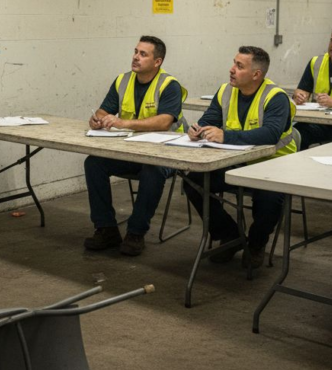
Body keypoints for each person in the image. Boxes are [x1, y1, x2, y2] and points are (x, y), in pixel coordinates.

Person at [182, 46, 295, 269]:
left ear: (256, 75)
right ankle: (231, 236)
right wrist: (198, 129)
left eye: (239, 66)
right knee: (194, 181)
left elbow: (270, 134)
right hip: (236, 161)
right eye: (234, 63)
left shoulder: (276, 97)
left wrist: (226, 135)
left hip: (273, 163)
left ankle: (256, 244)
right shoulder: (226, 91)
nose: (232, 70)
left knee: (268, 198)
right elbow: (210, 118)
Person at [84, 36, 187, 257]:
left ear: (157, 62)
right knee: (94, 163)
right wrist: (97, 119)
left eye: (143, 54)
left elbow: (164, 121)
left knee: (152, 170)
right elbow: (104, 109)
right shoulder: (122, 80)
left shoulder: (170, 85)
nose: (135, 57)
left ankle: (136, 233)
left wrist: (123, 122)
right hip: (132, 150)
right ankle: (106, 228)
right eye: (135, 51)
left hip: (167, 154)